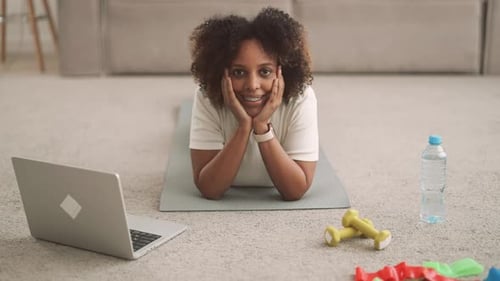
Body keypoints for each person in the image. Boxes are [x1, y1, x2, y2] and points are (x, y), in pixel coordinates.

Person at [189, 7, 318, 201]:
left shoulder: (302, 97)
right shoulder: (207, 97)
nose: (252, 86)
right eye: (239, 72)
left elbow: (295, 190)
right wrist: (243, 127)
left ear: (281, 72)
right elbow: (209, 188)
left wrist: (262, 127)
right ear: (222, 72)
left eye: (265, 72)